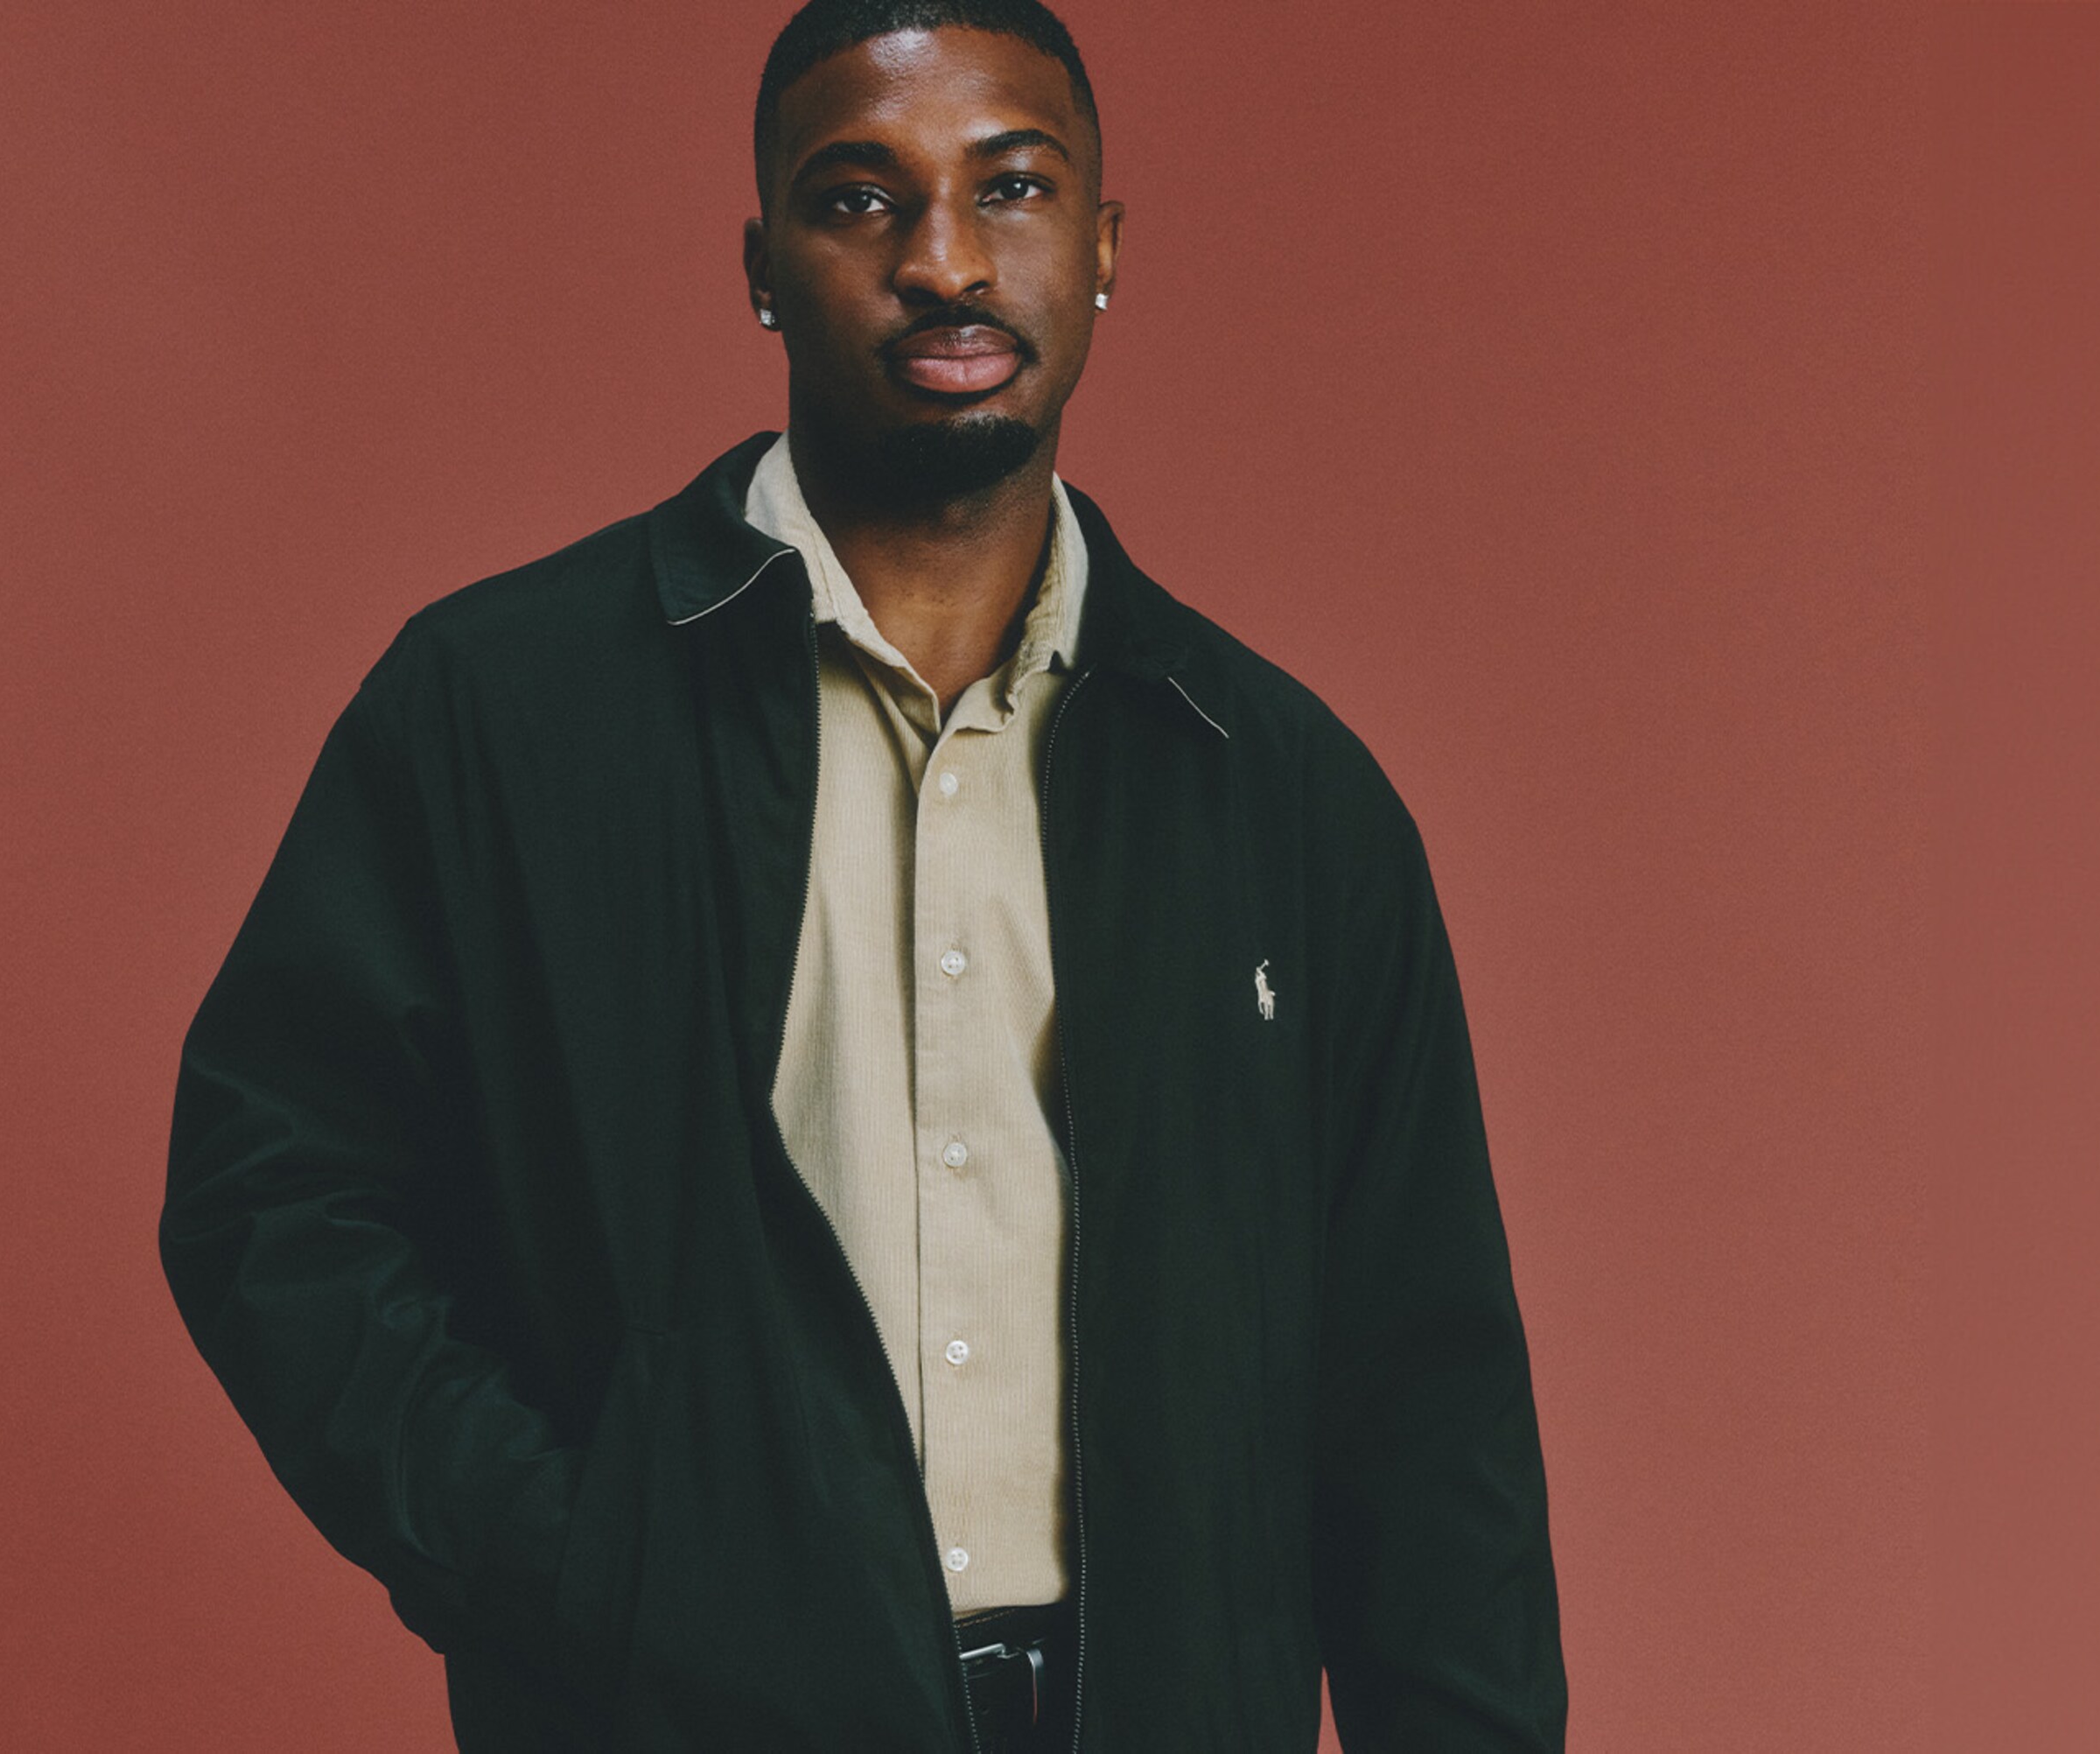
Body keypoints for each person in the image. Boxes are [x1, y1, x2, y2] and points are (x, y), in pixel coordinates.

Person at [157, 2, 1566, 1748]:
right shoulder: (504, 712)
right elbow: (270, 1186)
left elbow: (1430, 1414)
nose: (946, 260)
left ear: (1105, 246)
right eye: (860, 200)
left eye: (1014, 188)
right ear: (762, 267)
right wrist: (582, 1569)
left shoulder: (1283, 796)